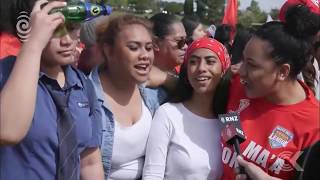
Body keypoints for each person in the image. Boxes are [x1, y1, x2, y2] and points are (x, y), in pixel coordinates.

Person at [0, 1, 104, 180]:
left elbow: (90, 162)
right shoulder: (5, 74)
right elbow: (8, 131)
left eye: (72, 27)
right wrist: (33, 43)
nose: (67, 40)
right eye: (53, 29)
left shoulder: (83, 85)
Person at [221, 5, 320, 180]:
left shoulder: (314, 125)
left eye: (252, 65)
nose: (241, 71)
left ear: (283, 72)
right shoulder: (236, 85)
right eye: (243, 59)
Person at [143, 37, 231, 180]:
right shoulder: (168, 113)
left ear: (223, 69)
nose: (201, 68)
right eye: (193, 62)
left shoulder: (229, 121)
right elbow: (152, 174)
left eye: (210, 62)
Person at [90, 14, 162, 179]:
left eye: (149, 48)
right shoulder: (84, 97)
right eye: (134, 47)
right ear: (109, 51)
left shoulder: (153, 98)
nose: (144, 55)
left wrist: (168, 79)